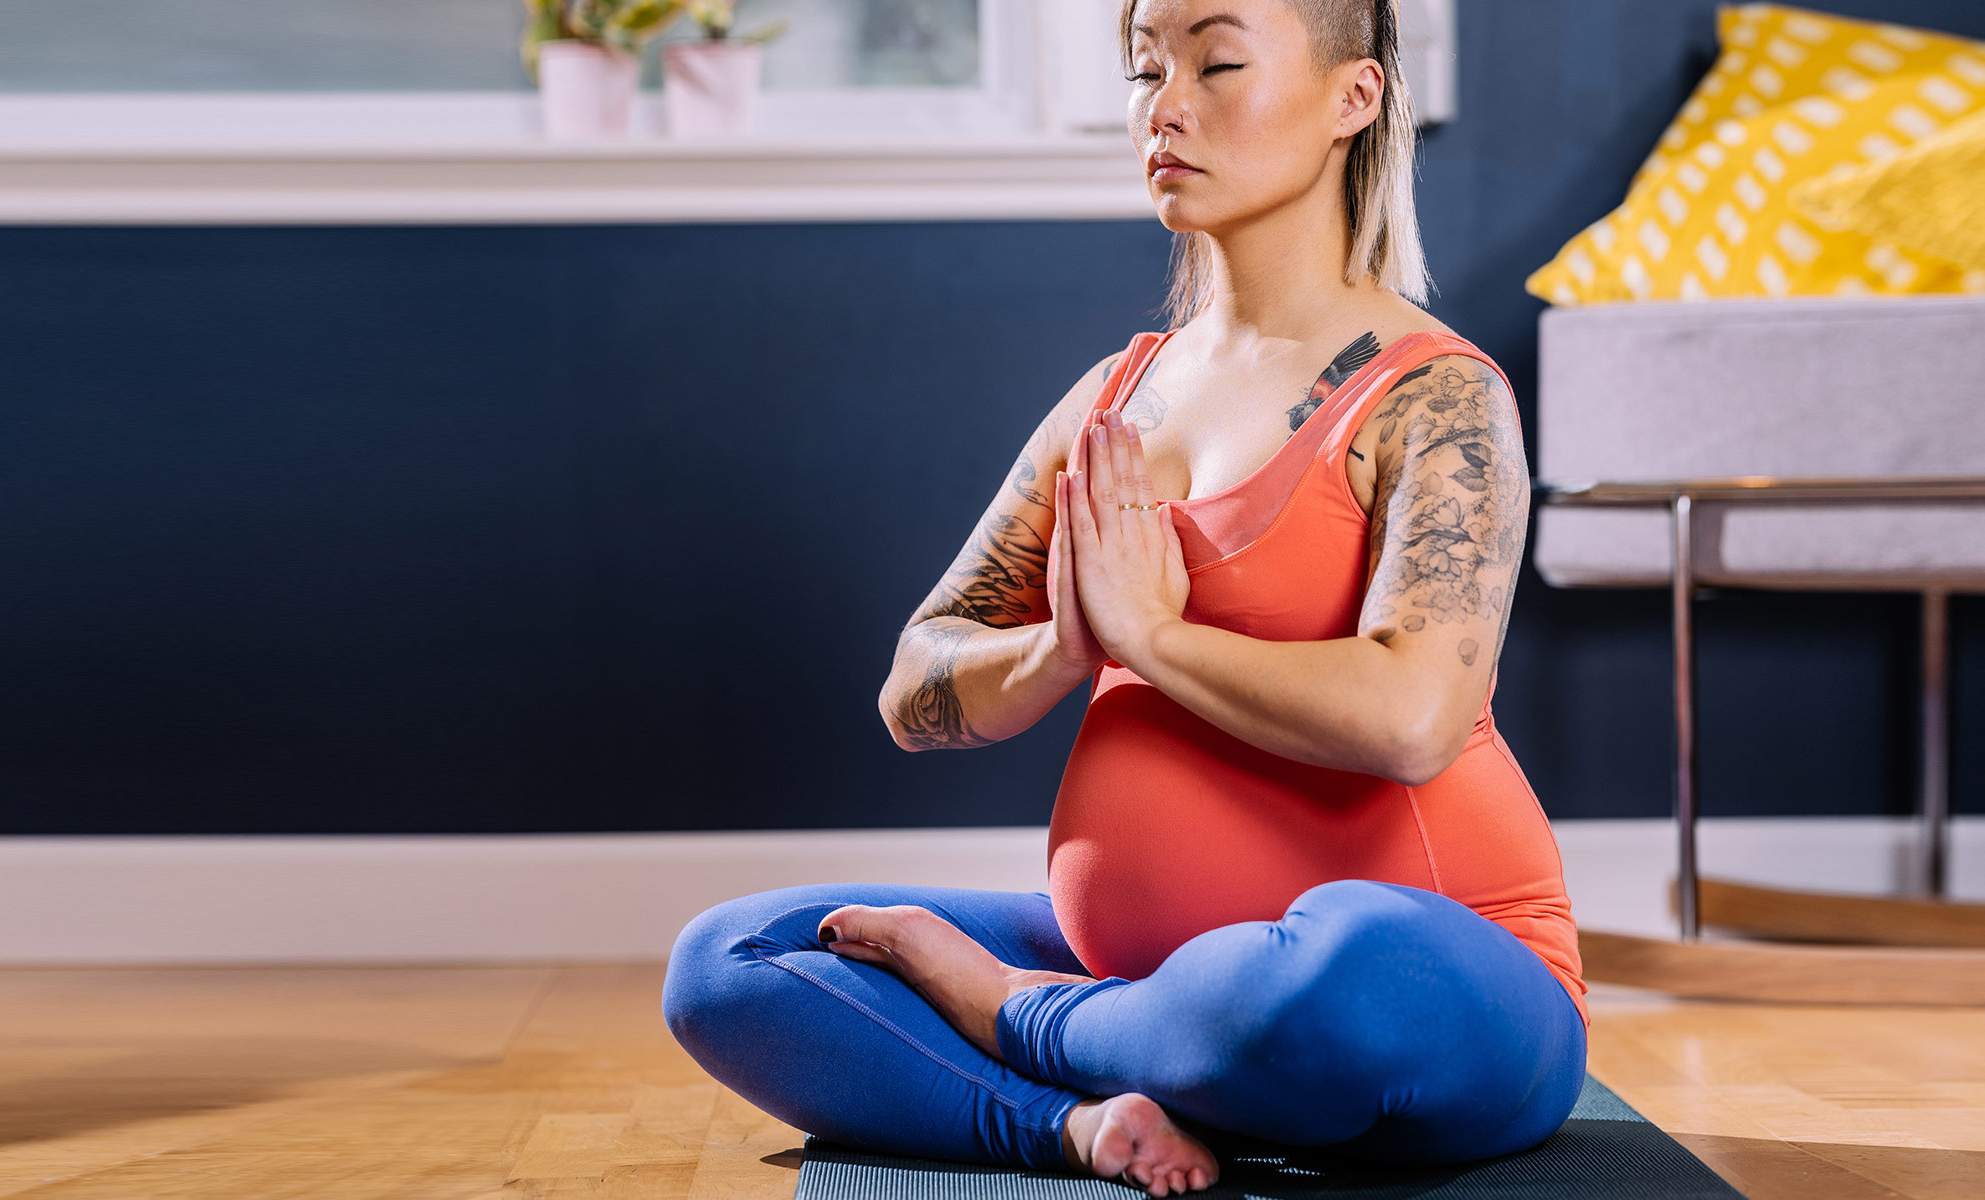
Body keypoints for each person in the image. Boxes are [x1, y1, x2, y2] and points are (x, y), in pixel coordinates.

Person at [661, 2, 1587, 1195]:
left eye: (1218, 62)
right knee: (733, 961)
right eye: (1149, 68)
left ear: (1353, 100)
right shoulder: (1117, 398)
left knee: (1352, 973)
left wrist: (1153, 633)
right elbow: (916, 683)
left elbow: (1411, 719)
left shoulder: (1438, 399)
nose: (1166, 104)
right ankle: (1086, 1126)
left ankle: (1021, 1023)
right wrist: (1065, 647)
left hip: (1430, 987)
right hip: (1140, 977)